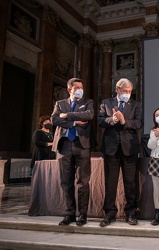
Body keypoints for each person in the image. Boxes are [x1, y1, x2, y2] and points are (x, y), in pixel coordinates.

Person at [98, 78, 142, 227]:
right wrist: (113, 120)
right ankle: (110, 213)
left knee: (130, 182)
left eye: (130, 92)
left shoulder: (136, 104)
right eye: (125, 91)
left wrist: (124, 122)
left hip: (129, 148)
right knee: (110, 183)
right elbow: (100, 120)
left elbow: (138, 123)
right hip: (111, 149)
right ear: (117, 90)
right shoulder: (106, 103)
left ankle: (130, 212)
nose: (127, 94)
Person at [51, 77, 94, 226]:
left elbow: (88, 115)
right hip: (64, 146)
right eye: (77, 87)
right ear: (70, 89)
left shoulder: (87, 103)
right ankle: (69, 213)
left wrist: (67, 115)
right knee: (66, 182)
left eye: (81, 87)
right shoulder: (60, 103)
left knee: (83, 181)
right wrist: (75, 122)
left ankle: (83, 214)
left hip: (81, 145)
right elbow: (54, 120)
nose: (80, 90)